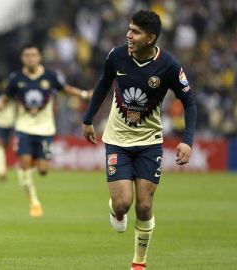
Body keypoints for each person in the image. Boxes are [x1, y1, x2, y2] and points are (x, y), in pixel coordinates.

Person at [82, 10, 197, 270]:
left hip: (149, 142)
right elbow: (103, 83)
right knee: (123, 202)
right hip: (117, 140)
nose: (128, 35)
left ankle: (139, 263)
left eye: (135, 32)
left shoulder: (169, 65)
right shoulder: (117, 55)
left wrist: (187, 140)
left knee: (144, 206)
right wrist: (88, 118)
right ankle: (116, 209)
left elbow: (189, 101)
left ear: (151, 38)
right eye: (129, 29)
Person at [0, 44, 92, 217]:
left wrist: (83, 95)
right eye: (27, 55)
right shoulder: (16, 78)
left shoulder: (50, 76)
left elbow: (66, 89)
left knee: (43, 170)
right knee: (23, 164)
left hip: (45, 129)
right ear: (22, 58)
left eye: (33, 55)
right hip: (23, 127)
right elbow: (6, 98)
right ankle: (34, 201)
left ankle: (31, 163)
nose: (30, 58)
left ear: (39, 57)